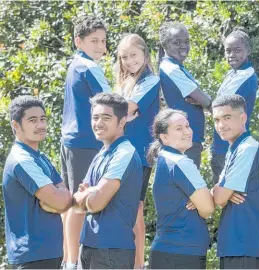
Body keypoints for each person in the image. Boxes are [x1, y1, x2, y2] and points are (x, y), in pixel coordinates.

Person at [60, 15, 111, 270]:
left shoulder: (76, 64)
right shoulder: (89, 67)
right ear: (78, 41)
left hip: (71, 140)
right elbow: (112, 102)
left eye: (103, 41)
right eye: (94, 41)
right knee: (80, 202)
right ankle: (73, 263)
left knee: (70, 203)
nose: (101, 46)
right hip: (84, 142)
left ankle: (68, 259)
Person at [73, 93, 143, 269]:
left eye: (106, 117)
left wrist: (88, 192)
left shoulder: (124, 153)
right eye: (95, 117)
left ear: (121, 122)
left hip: (112, 251)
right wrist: (91, 192)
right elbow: (76, 205)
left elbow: (96, 203)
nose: (99, 123)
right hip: (89, 245)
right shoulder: (101, 154)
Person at [3, 96, 73, 269]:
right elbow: (61, 200)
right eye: (32, 120)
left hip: (49, 252)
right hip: (33, 256)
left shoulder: (40, 157)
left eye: (43, 119)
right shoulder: (23, 160)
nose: (41, 125)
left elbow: (65, 195)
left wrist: (57, 200)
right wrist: (58, 201)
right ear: (16, 125)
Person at [114, 33, 160, 269]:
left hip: (139, 155)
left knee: (136, 208)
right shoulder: (125, 82)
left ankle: (138, 264)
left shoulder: (150, 81)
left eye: (133, 55)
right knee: (124, 206)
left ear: (145, 53)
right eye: (124, 57)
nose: (129, 61)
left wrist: (125, 112)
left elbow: (126, 108)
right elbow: (120, 111)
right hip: (122, 153)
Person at [147, 109, 215, 269]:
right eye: (179, 128)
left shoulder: (165, 160)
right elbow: (207, 208)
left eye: (187, 126)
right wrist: (207, 196)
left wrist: (203, 196)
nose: (187, 131)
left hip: (171, 253)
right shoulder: (179, 162)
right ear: (164, 137)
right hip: (181, 254)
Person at [212, 95, 259, 269]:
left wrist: (219, 191)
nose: (221, 125)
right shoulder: (234, 148)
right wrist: (221, 190)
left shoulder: (247, 148)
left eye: (227, 118)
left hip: (244, 246)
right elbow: (221, 194)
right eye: (217, 120)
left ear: (243, 118)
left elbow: (220, 199)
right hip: (235, 246)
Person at [158, 21, 212, 168]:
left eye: (186, 41)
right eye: (177, 42)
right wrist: (208, 104)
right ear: (165, 45)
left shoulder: (176, 67)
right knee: (189, 187)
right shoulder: (172, 69)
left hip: (187, 138)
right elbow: (203, 99)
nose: (183, 46)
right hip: (184, 140)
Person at [211, 28, 258, 185]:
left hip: (232, 142)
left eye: (237, 50)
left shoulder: (245, 75)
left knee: (230, 190)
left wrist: (201, 101)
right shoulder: (233, 73)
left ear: (248, 51)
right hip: (222, 140)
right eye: (228, 50)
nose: (232, 55)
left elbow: (220, 104)